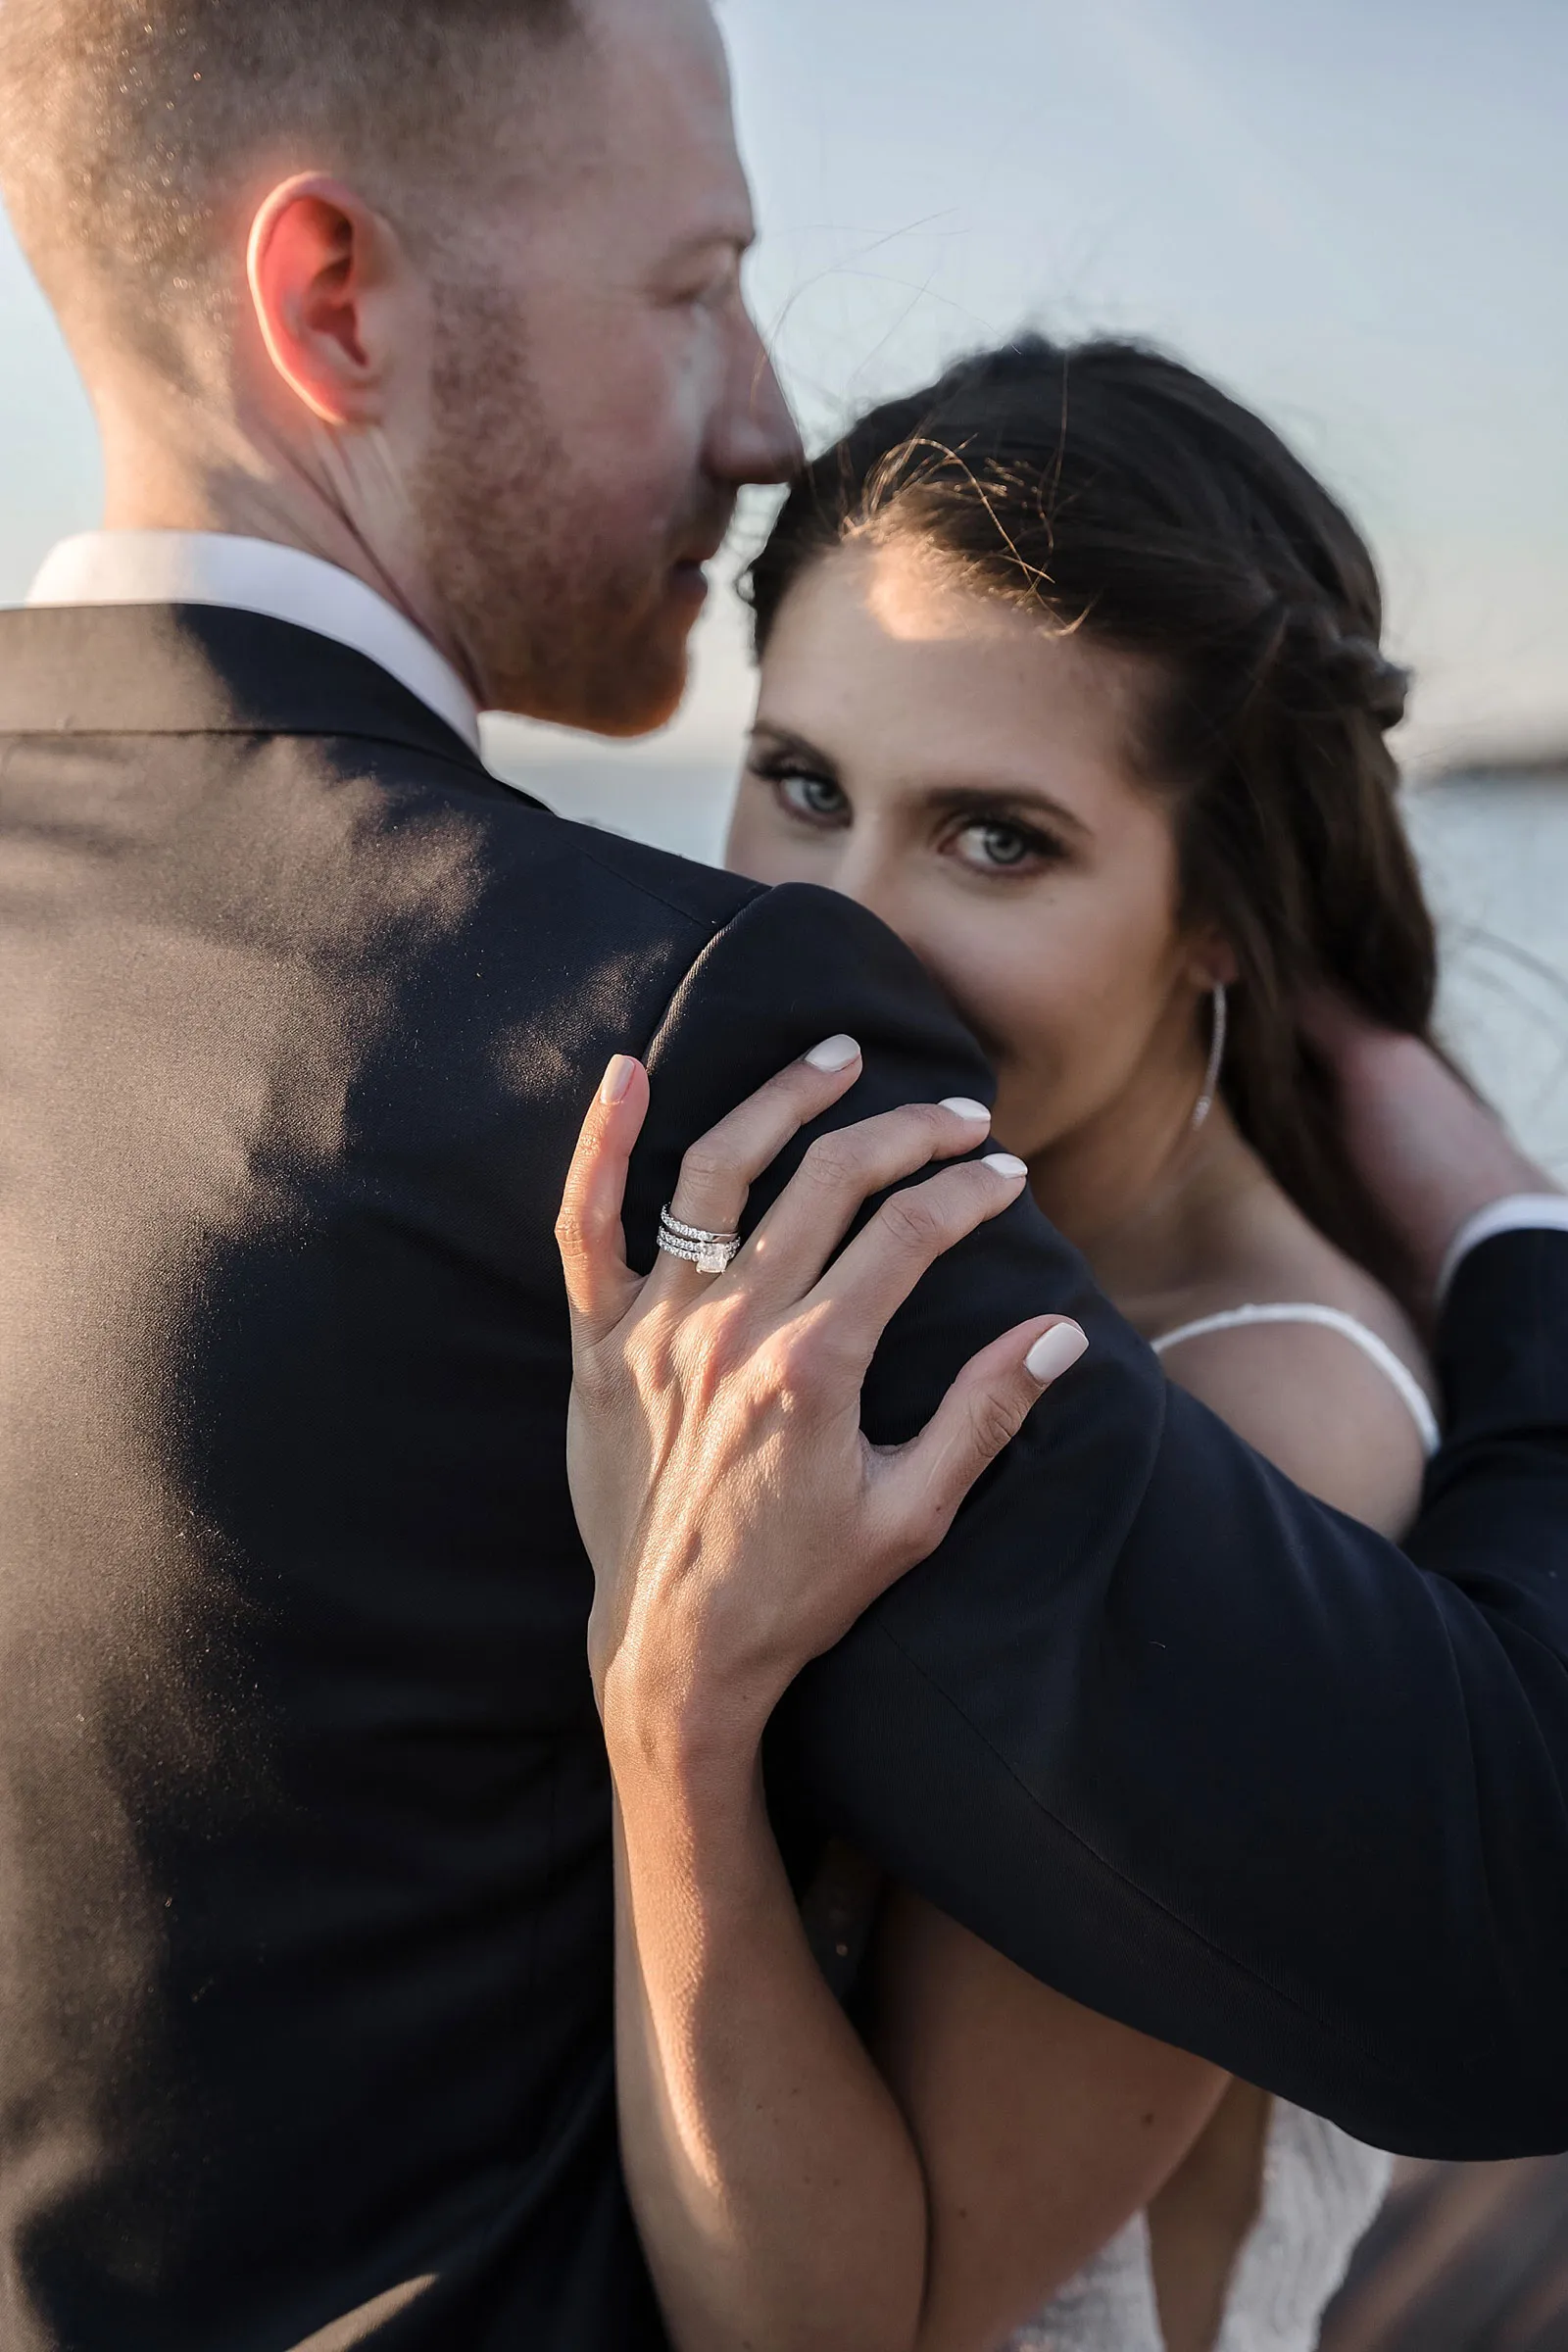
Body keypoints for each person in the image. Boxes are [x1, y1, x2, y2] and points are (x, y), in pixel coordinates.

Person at [0, 0, 1565, 2345]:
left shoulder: (1241, 1378)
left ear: (1217, 905)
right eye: (689, 284)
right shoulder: (673, 1059)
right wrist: (1514, 1245)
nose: (757, 412)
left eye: (999, 834)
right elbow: (1502, 1925)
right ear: (330, 298)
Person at [555, 338, 1477, 2352]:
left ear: (1218, 910)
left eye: (995, 838)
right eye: (804, 784)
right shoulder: (914, 1250)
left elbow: (851, 2328)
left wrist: (675, 1692)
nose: (838, 924)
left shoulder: (1268, 1421)